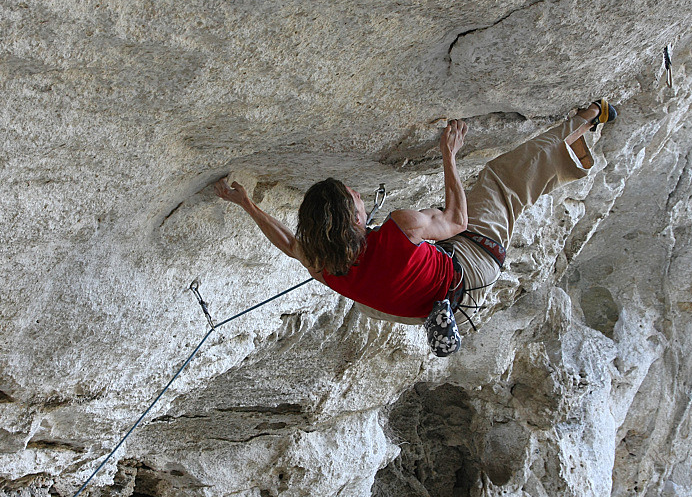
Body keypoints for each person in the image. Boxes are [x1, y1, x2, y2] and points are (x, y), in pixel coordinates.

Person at [215, 101, 616, 355]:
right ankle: (584, 121)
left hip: (413, 304)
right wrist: (449, 154)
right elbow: (459, 221)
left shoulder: (320, 261)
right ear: (357, 218)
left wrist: (246, 203)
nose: (358, 194)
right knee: (502, 180)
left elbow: (288, 244)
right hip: (473, 268)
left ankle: (570, 148)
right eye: (354, 196)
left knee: (420, 242)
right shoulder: (398, 228)